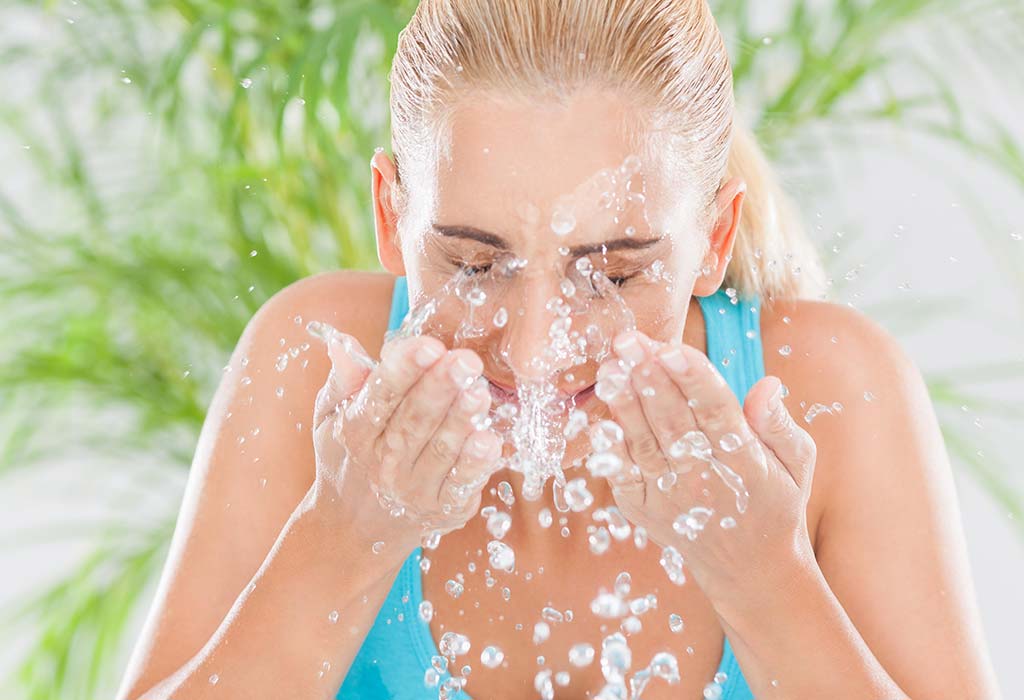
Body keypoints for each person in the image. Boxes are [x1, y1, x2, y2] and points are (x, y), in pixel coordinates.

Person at [116, 1, 1002, 699]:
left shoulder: (833, 395)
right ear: (392, 216)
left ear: (714, 236)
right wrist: (344, 541)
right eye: (471, 263)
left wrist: (763, 577)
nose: (536, 352)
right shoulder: (313, 363)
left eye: (614, 275)